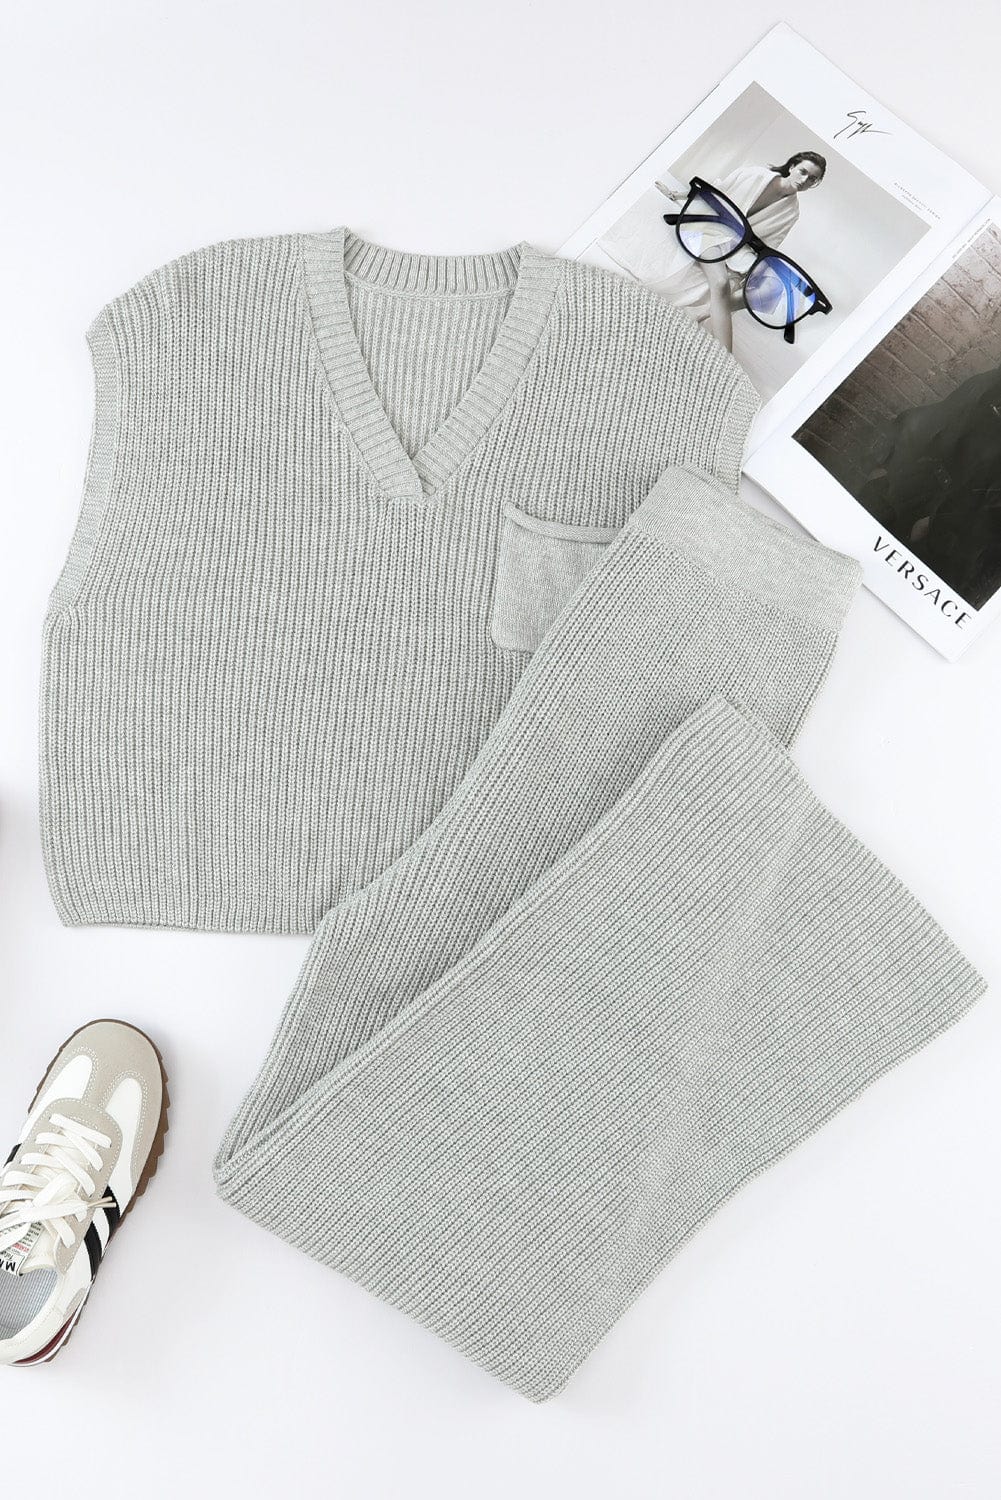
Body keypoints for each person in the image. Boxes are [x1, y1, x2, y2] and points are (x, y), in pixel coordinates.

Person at [598, 151, 826, 349]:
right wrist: (680, 196)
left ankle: (701, 312)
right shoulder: (755, 174)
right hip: (709, 224)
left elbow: (767, 244)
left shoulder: (792, 211)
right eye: (803, 172)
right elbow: (716, 191)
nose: (804, 180)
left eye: (812, 179)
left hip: (738, 247)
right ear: (792, 166)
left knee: (772, 288)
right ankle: (725, 356)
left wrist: (754, 271)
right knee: (720, 282)